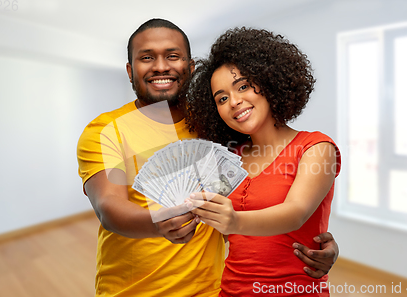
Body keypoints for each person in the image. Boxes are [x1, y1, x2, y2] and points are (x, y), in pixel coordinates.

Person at [77, 19, 338, 297]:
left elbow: (271, 205)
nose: (161, 66)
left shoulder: (213, 133)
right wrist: (158, 222)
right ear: (130, 71)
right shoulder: (108, 130)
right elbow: (109, 205)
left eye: (173, 56)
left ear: (190, 69)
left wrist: (318, 241)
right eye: (147, 57)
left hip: (213, 290)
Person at [184, 27, 341, 296]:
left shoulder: (316, 147)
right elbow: (227, 236)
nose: (234, 102)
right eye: (221, 98)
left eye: (243, 86)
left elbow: (296, 213)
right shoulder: (229, 158)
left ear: (268, 81)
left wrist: (234, 221)